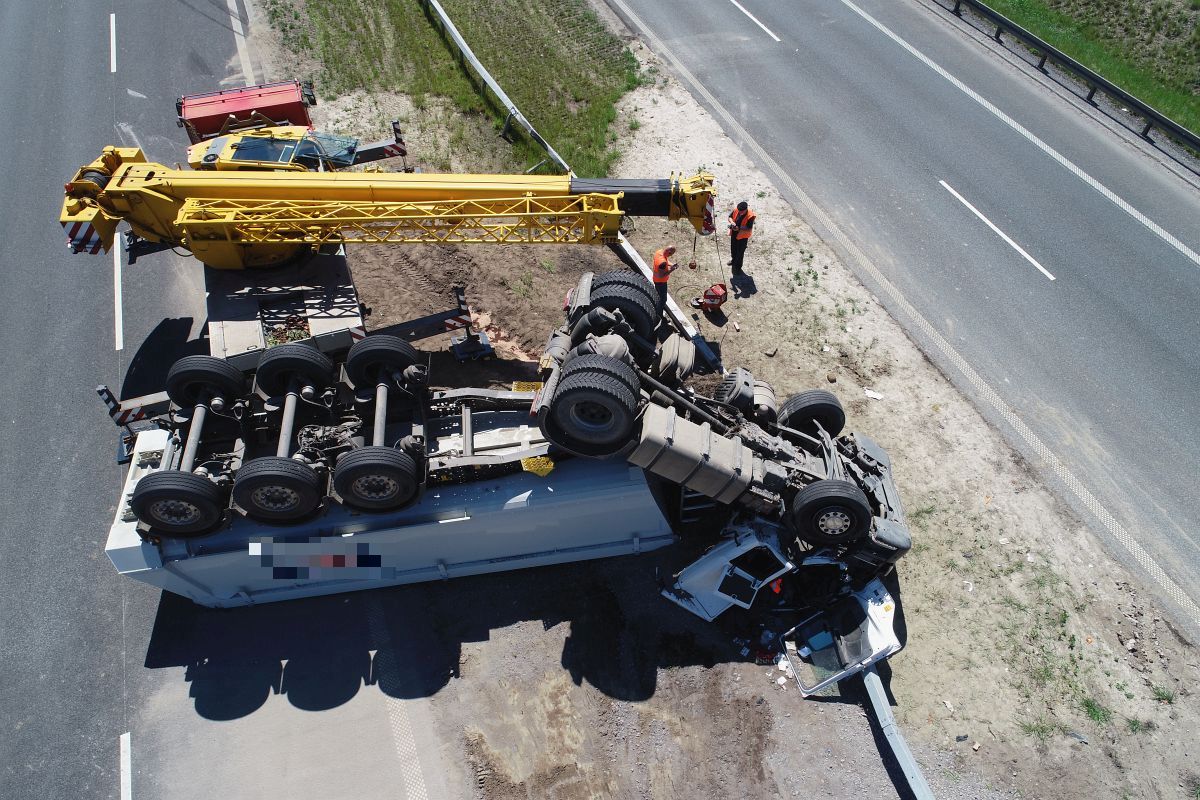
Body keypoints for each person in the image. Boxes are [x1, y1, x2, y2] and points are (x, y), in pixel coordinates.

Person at [727, 200, 756, 275]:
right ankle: (733, 261)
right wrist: (732, 222)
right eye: (739, 211)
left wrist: (739, 228)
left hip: (743, 237)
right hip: (734, 233)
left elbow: (749, 228)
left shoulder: (750, 215)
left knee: (740, 253)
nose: (739, 212)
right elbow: (730, 217)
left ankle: (738, 268)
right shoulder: (737, 209)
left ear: (746, 209)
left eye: (741, 211)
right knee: (733, 248)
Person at [651, 245, 679, 315]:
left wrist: (671, 264)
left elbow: (665, 260)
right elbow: (661, 275)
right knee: (663, 299)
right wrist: (671, 269)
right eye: (671, 254)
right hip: (660, 282)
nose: (671, 256)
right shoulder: (662, 263)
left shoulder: (659, 252)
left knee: (658, 295)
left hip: (656, 279)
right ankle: (658, 314)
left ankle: (657, 306)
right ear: (669, 252)